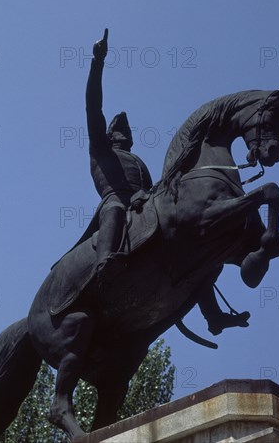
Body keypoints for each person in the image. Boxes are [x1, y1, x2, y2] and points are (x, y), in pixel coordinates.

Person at [86, 29, 249, 335]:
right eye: (119, 129)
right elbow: (93, 108)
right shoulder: (100, 150)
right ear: (109, 135)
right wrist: (98, 63)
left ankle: (213, 315)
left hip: (143, 204)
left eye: (128, 130)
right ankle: (104, 264)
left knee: (186, 241)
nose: (125, 132)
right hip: (117, 201)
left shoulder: (139, 162)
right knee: (115, 211)